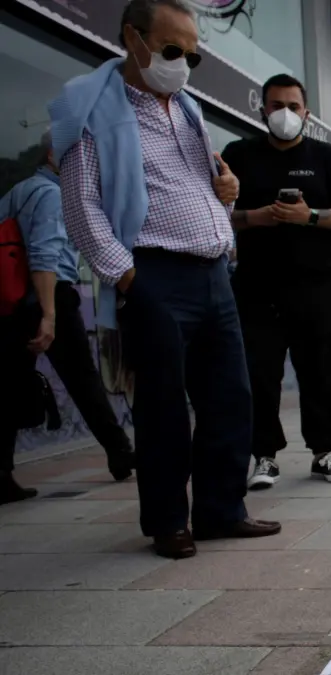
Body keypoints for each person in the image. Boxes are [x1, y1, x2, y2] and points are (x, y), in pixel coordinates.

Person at [49, 0, 280, 558]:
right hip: (153, 274)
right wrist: (130, 279)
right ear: (133, 38)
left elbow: (200, 188)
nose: (182, 65)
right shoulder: (94, 112)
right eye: (173, 50)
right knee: (162, 409)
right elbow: (81, 207)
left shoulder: (188, 109)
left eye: (192, 57)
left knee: (231, 398)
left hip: (214, 272)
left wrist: (228, 195)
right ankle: (168, 520)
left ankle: (221, 510)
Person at [220, 72, 331, 491]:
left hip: (315, 283)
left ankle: (324, 452)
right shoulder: (239, 154)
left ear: (307, 113)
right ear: (262, 110)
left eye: (293, 106)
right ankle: (264, 456)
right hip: (256, 285)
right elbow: (215, 212)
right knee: (259, 373)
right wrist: (257, 217)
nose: (285, 113)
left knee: (320, 370)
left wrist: (310, 216)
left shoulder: (326, 157)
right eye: (277, 106)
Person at [0, 131, 136, 503]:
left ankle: (2, 474)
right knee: (83, 379)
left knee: (9, 386)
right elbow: (44, 254)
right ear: (51, 155)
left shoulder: (18, 191)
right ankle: (120, 453)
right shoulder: (52, 195)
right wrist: (49, 314)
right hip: (49, 294)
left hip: (12, 301)